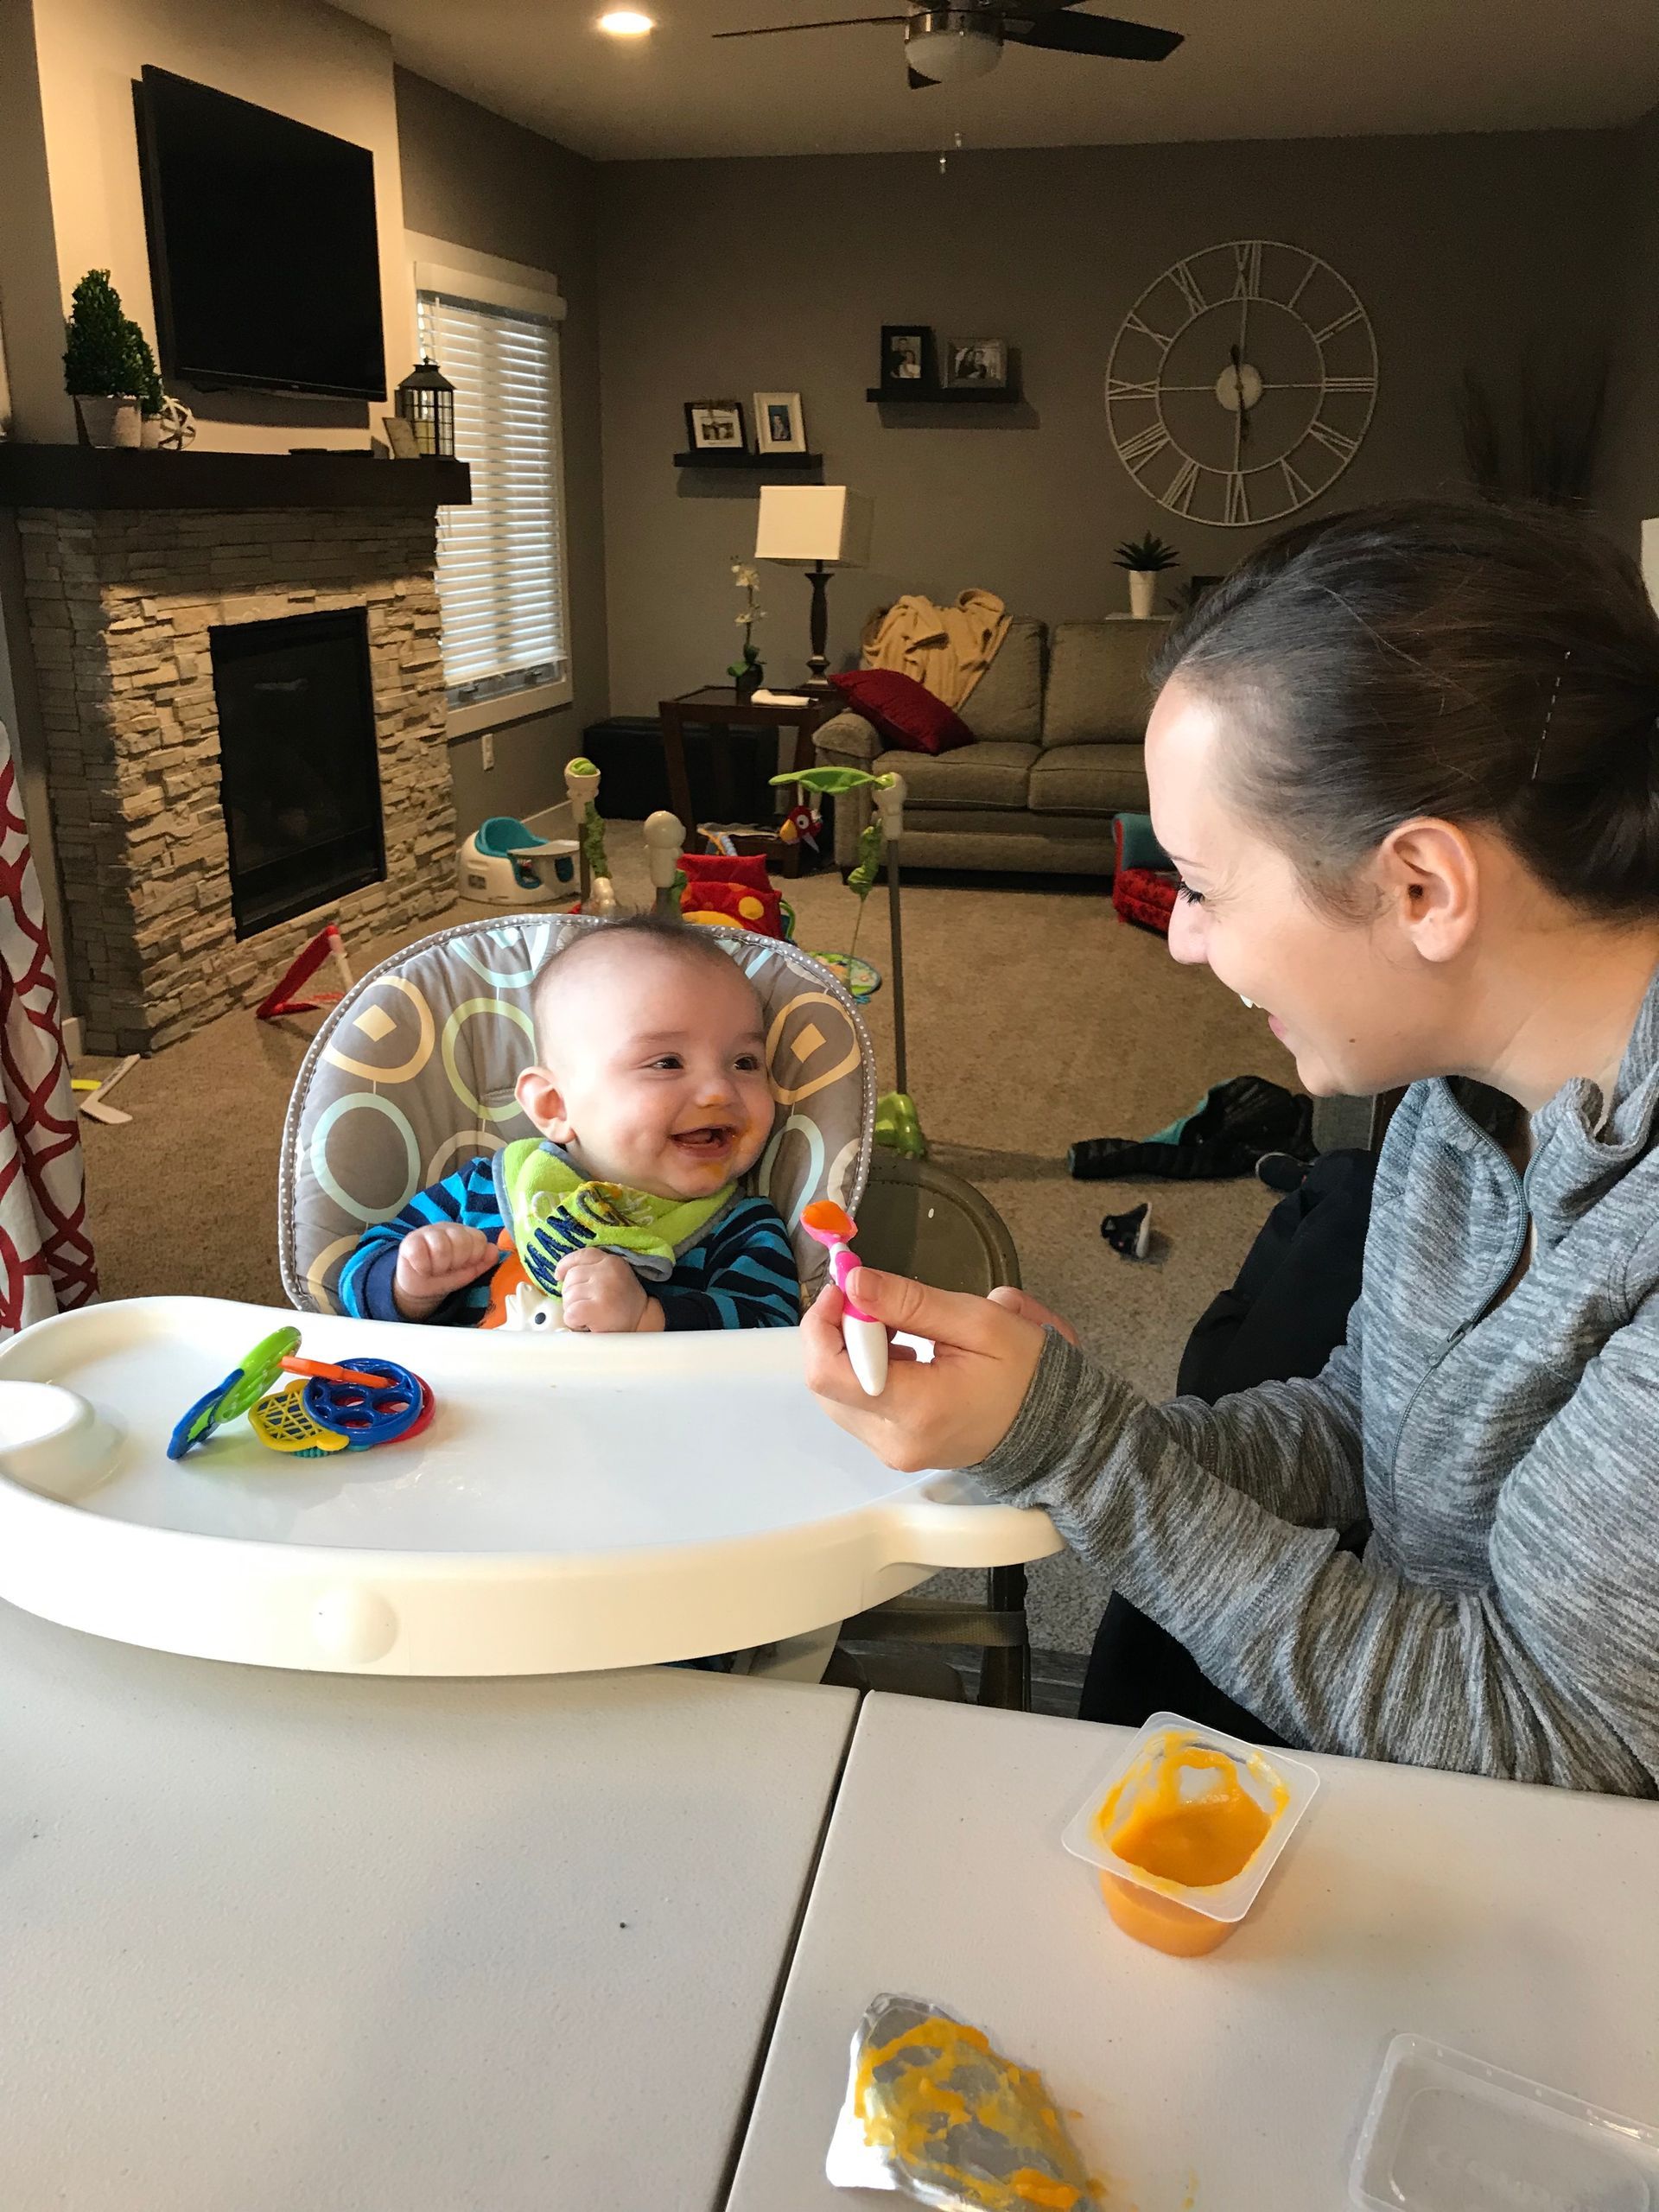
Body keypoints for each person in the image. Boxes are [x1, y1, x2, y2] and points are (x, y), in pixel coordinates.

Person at [804, 498, 1659, 1796]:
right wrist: (1045, 1422)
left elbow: (1552, 1743)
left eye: (1203, 885)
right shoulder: (1460, 1104)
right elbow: (1368, 1427)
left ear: (1423, 887)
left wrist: (1084, 1451)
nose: (1183, 936)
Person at [340, 916, 799, 1332]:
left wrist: (648, 1317)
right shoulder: (485, 1190)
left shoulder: (741, 1229)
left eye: (744, 1062)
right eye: (667, 1063)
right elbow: (353, 1285)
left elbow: (772, 1333)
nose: (719, 1090)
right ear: (555, 1106)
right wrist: (410, 1285)